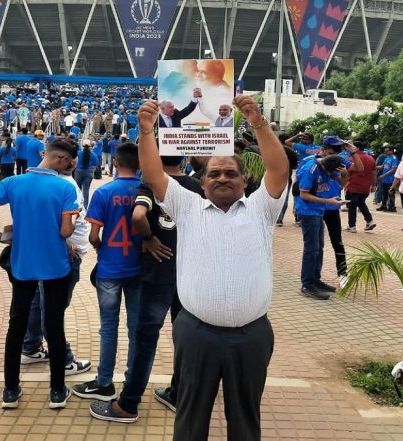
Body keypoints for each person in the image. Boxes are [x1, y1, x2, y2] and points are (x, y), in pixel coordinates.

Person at [135, 95, 288, 440]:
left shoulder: (262, 210)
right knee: (190, 416)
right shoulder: (187, 207)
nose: (222, 178)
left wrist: (258, 122)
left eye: (230, 173)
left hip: (252, 335)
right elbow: (154, 173)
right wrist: (147, 131)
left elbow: (278, 170)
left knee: (245, 418)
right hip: (196, 333)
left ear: (245, 181)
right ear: (201, 182)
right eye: (214, 173)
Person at [89, 155, 203, 423]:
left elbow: (139, 215)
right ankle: (179, 393)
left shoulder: (151, 184)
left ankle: (127, 405)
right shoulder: (199, 186)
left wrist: (149, 239)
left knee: (145, 338)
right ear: (183, 158)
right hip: (189, 271)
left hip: (157, 272)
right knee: (184, 336)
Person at [0, 139, 80, 410]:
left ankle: (10, 390)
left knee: (16, 325)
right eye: (69, 162)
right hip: (55, 265)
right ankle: (56, 391)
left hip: (22, 264)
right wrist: (72, 219)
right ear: (62, 160)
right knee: (54, 326)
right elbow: (66, 232)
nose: (69, 167)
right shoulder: (65, 187)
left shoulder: (12, 183)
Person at [73, 143, 142, 402]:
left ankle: (104, 382)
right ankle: (133, 381)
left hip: (110, 268)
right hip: (138, 269)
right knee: (136, 328)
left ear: (115, 163)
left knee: (108, 327)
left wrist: (101, 249)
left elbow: (93, 235)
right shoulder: (145, 191)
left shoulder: (104, 193)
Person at [20, 143, 92, 377]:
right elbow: (55, 225)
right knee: (53, 309)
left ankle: (30, 346)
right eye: (73, 159)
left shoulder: (49, 183)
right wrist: (65, 245)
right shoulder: (62, 185)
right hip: (63, 254)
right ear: (66, 160)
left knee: (39, 303)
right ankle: (64, 360)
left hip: (57, 251)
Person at [295, 154, 347, 300]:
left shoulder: (327, 167)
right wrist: (328, 201)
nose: (331, 176)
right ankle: (307, 284)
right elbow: (304, 194)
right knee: (311, 249)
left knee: (319, 247)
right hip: (308, 212)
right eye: (331, 173)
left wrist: (344, 175)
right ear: (325, 167)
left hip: (318, 211)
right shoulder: (310, 170)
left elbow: (341, 183)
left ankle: (315, 280)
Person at [345, 148, 377, 233]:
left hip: (353, 186)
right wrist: (374, 185)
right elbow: (374, 173)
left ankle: (352, 226)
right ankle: (370, 221)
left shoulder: (352, 158)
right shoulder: (371, 158)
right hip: (365, 187)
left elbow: (347, 172)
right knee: (361, 203)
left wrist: (344, 184)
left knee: (352, 206)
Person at [74, 139, 99, 207]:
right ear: (90, 146)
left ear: (82, 145)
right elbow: (96, 163)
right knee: (86, 189)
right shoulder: (93, 154)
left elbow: (74, 161)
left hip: (79, 171)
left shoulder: (78, 153)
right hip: (89, 172)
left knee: (78, 189)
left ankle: (78, 205)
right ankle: (85, 206)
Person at [375, 145, 398, 212]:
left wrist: (383, 175)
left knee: (391, 193)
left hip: (391, 180)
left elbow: (393, 170)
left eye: (387, 151)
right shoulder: (386, 158)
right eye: (385, 151)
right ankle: (383, 206)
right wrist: (373, 167)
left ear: (391, 151)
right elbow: (382, 166)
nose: (385, 152)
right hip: (385, 180)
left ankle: (392, 207)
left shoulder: (394, 158)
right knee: (384, 193)